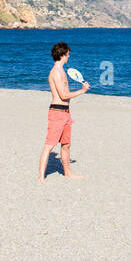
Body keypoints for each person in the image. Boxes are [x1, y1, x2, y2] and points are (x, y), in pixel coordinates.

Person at [41, 41, 89, 182]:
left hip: (65, 112)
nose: (69, 57)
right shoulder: (56, 72)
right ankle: (41, 178)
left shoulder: (62, 71)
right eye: (68, 54)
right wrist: (82, 91)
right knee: (49, 145)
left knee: (66, 144)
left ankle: (67, 172)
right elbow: (63, 95)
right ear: (62, 55)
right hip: (57, 112)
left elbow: (66, 93)